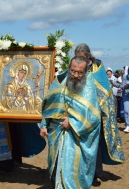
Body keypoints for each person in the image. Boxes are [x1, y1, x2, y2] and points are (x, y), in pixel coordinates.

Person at [40, 56, 101, 189]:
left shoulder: (89, 86)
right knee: (56, 168)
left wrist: (73, 122)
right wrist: (44, 124)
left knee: (72, 170)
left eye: (80, 72)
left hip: (76, 138)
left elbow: (94, 116)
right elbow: (48, 103)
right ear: (69, 68)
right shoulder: (61, 80)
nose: (76, 75)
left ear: (86, 72)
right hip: (56, 134)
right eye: (73, 71)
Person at [74, 44, 125, 186]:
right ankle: (81, 171)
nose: (79, 59)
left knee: (95, 142)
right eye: (77, 56)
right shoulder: (75, 66)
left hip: (97, 111)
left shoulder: (97, 67)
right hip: (81, 110)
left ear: (88, 56)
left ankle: (96, 173)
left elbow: (103, 88)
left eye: (81, 57)